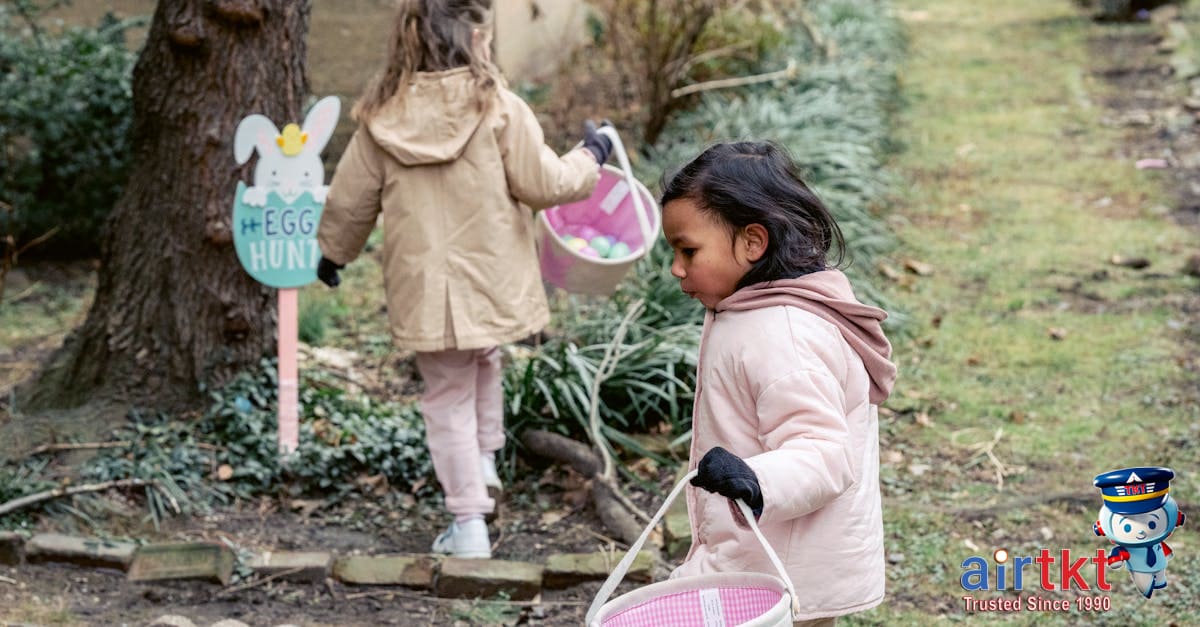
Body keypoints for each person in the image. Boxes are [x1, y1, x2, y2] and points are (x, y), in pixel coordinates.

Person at [315, 0, 611, 559]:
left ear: (409, 42)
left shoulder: (382, 117)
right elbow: (545, 182)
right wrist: (591, 154)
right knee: (483, 359)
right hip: (491, 278)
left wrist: (332, 254)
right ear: (475, 41)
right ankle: (477, 491)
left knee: (449, 390)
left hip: (426, 289)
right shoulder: (497, 107)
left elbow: (350, 201)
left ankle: (471, 506)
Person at [659, 141, 897, 625]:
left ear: (752, 242)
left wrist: (755, 479)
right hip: (774, 556)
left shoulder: (781, 334)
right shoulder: (751, 310)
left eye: (689, 250)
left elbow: (824, 454)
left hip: (784, 570)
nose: (676, 268)